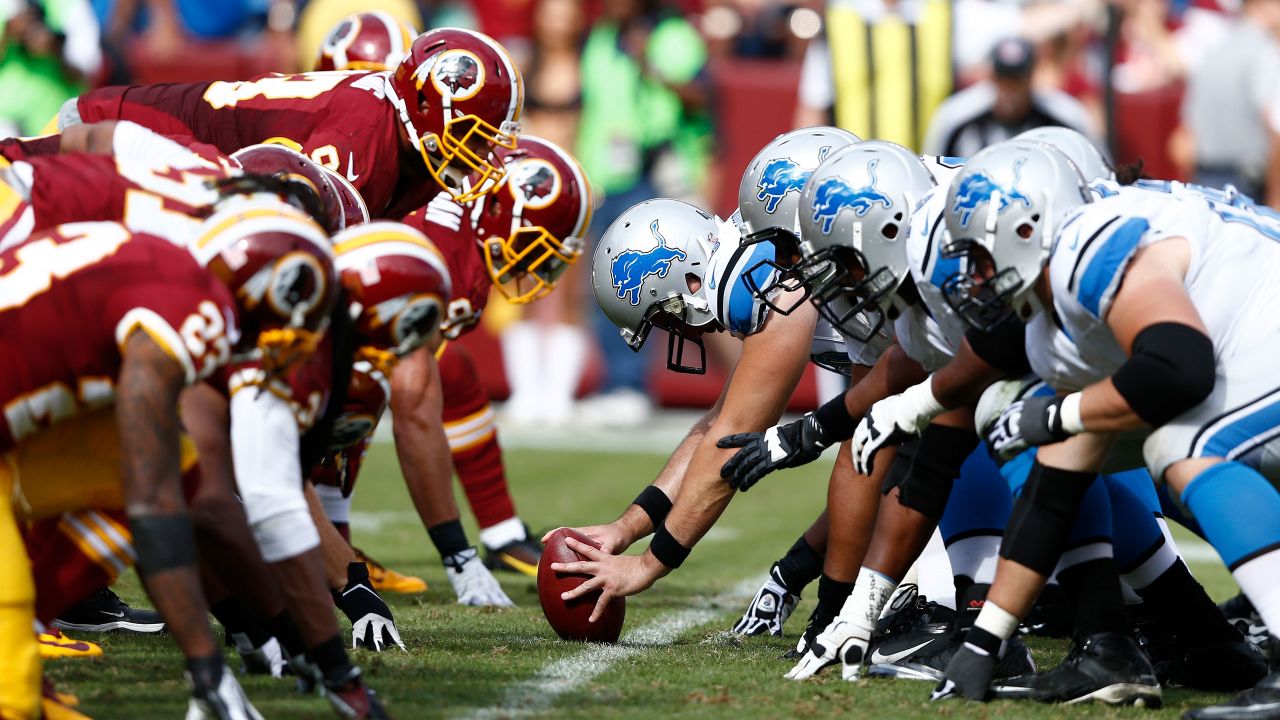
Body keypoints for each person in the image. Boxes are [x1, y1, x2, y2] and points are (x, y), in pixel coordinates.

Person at [0, 199, 338, 720]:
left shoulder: (150, 266)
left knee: (149, 478)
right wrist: (211, 667)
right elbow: (176, 502)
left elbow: (197, 496)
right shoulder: (189, 308)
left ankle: (30, 626)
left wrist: (284, 636)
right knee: (13, 700)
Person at [546, 126, 864, 622]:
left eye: (667, 315)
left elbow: (730, 441)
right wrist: (627, 527)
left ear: (689, 279)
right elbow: (719, 424)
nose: (679, 332)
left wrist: (648, 566)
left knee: (898, 461)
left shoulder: (771, 280)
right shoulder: (752, 242)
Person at [574, 0, 713, 427]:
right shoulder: (599, 37)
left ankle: (632, 384)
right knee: (606, 285)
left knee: (678, 291)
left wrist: (651, 66)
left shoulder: (675, 36)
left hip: (653, 173)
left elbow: (700, 98)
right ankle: (617, 383)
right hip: (604, 174)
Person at [922, 37, 1096, 158]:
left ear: (1031, 77)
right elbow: (933, 174)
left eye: (1017, 80)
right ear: (991, 77)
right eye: (1003, 79)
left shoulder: (1066, 118)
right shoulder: (956, 118)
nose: (1010, 89)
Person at [1179, 0, 1280, 205]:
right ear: (1259, 5)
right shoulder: (1264, 51)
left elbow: (1184, 140)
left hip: (1205, 180)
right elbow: (1275, 125)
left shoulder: (1214, 48)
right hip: (1250, 184)